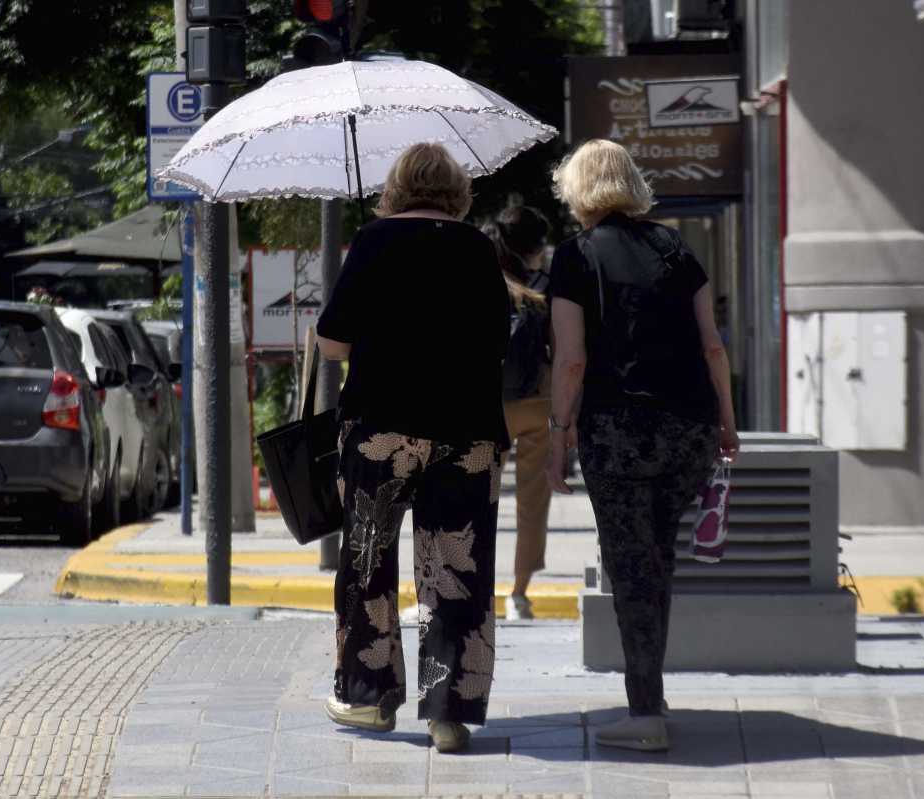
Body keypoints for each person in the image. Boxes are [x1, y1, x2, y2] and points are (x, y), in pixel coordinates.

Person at [316, 142, 510, 754]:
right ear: (457, 189)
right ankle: (447, 714)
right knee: (457, 569)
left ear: (396, 186)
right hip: (467, 433)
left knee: (369, 561)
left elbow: (334, 343)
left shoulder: (373, 242)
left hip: (383, 428)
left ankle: (370, 699)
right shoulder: (479, 249)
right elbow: (499, 338)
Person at [546, 139, 739, 752]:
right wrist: (727, 424)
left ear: (578, 191)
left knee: (632, 565)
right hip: (690, 429)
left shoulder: (575, 257)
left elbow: (571, 361)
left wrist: (558, 437)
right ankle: (650, 695)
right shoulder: (675, 248)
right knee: (657, 558)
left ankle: (645, 712)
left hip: (619, 431)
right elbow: (712, 344)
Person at [482, 204, 553, 621]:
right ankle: (519, 594)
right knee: (532, 504)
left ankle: (482, 589)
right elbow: (561, 352)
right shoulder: (546, 285)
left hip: (489, 409)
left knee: (482, 503)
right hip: (537, 405)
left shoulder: (481, 280)